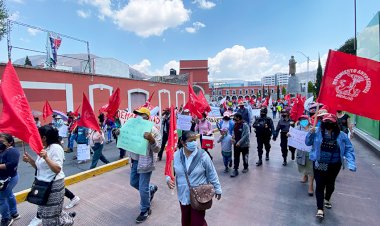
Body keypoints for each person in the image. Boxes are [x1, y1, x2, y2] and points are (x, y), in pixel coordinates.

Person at [305, 113, 356, 220]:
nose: (328, 124)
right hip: (320, 163)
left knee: (330, 184)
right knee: (320, 185)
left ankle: (327, 198)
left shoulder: (341, 135)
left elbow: (348, 148)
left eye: (330, 122)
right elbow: (307, 143)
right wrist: (310, 133)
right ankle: (320, 209)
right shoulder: (317, 131)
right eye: (326, 122)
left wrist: (351, 163)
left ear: (335, 124)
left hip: (334, 164)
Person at [166, 131, 222, 226]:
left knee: (197, 222)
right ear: (183, 143)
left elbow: (212, 173)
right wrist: (168, 179)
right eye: (191, 140)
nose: (194, 143)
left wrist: (218, 189)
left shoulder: (203, 155)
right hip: (183, 195)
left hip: (199, 195)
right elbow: (170, 171)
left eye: (195, 140)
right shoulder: (176, 156)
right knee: (185, 222)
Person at [23, 125, 75, 226]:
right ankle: (67, 220)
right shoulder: (44, 148)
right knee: (46, 213)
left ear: (44, 138)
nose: (36, 138)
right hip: (43, 185)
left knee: (50, 217)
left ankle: (67, 220)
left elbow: (57, 169)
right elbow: (39, 167)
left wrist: (46, 157)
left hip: (53, 186)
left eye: (38, 136)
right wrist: (30, 160)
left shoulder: (56, 148)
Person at [129, 107, 161, 224]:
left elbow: (157, 149)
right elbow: (126, 139)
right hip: (134, 160)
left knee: (143, 188)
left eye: (140, 114)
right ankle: (151, 189)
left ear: (147, 117)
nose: (137, 116)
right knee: (133, 182)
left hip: (146, 161)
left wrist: (152, 140)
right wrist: (118, 134)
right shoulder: (133, 128)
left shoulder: (153, 130)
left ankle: (145, 210)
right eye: (136, 114)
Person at [0, 133, 20, 226]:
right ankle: (14, 213)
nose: (0, 142)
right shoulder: (3, 150)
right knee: (9, 195)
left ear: (10, 142)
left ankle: (6, 219)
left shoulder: (12, 151)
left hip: (9, 178)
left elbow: (11, 165)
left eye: (2, 141)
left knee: (1, 198)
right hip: (5, 178)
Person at [291, 115, 314, 196]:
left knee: (311, 169)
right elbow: (292, 134)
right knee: (303, 165)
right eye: (301, 120)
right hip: (301, 151)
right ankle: (305, 176)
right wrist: (289, 134)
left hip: (310, 152)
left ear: (308, 120)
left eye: (304, 120)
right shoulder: (298, 128)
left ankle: (311, 186)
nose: (303, 121)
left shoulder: (313, 128)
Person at [230, 113, 250, 177]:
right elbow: (233, 131)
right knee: (236, 157)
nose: (234, 118)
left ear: (238, 118)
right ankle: (235, 169)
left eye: (235, 117)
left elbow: (246, 135)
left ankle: (246, 167)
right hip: (236, 144)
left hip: (244, 145)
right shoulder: (235, 124)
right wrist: (233, 137)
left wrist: (239, 142)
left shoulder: (245, 125)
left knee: (245, 157)